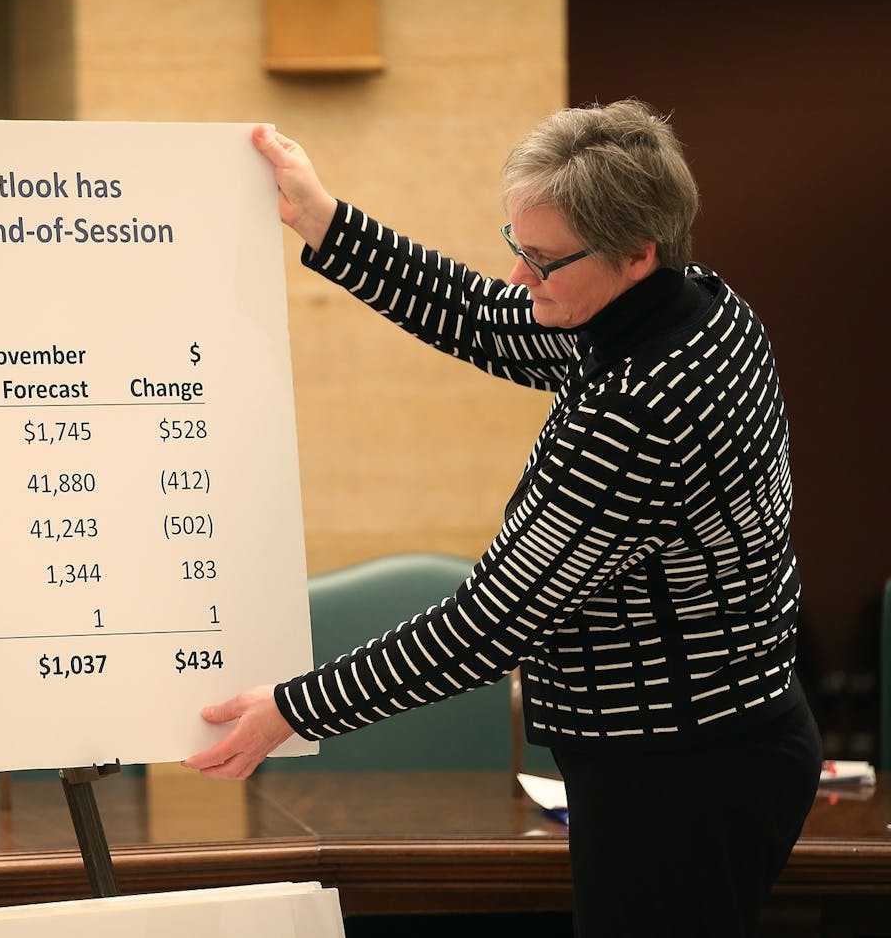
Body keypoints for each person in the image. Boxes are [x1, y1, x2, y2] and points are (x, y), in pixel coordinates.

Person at [183, 100, 822, 936]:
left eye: (545, 261)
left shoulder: (640, 408)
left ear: (637, 252)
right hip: (708, 738)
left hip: (686, 767)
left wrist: (294, 708)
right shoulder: (689, 303)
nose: (523, 276)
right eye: (517, 245)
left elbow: (492, 622)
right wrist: (327, 225)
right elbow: (490, 319)